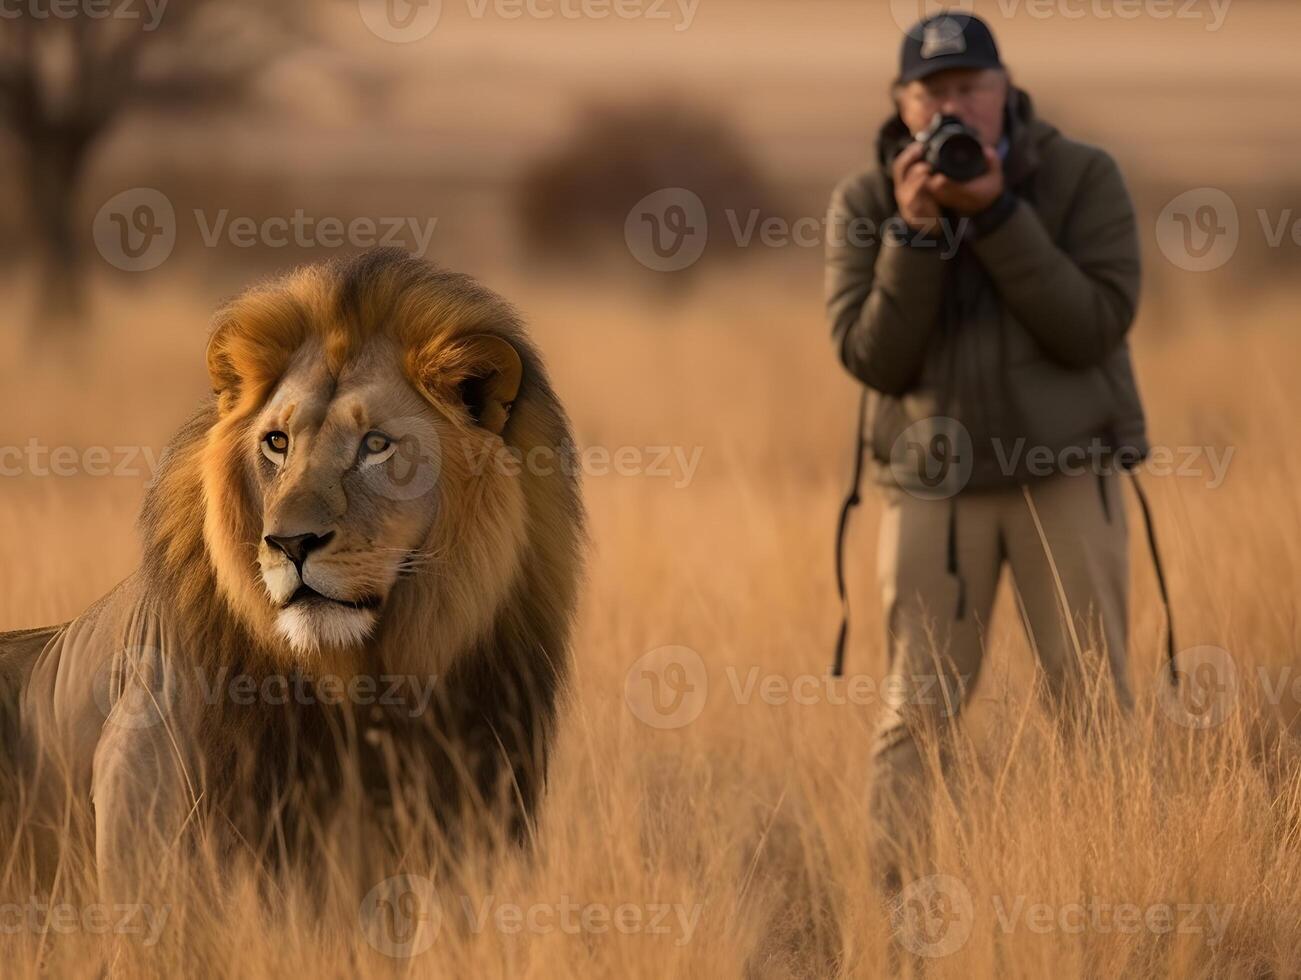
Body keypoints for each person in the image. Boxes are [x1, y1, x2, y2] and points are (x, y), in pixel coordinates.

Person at [823, 12, 1150, 880]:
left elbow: (1093, 328)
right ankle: (896, 912)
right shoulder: (866, 199)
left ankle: (1113, 898)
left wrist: (1000, 214)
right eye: (932, 91)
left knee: (1090, 705)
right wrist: (915, 235)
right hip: (933, 485)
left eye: (970, 86)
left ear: (1006, 90)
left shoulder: (1080, 178)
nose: (953, 108)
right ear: (902, 103)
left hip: (1064, 476)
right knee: (914, 712)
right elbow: (872, 359)